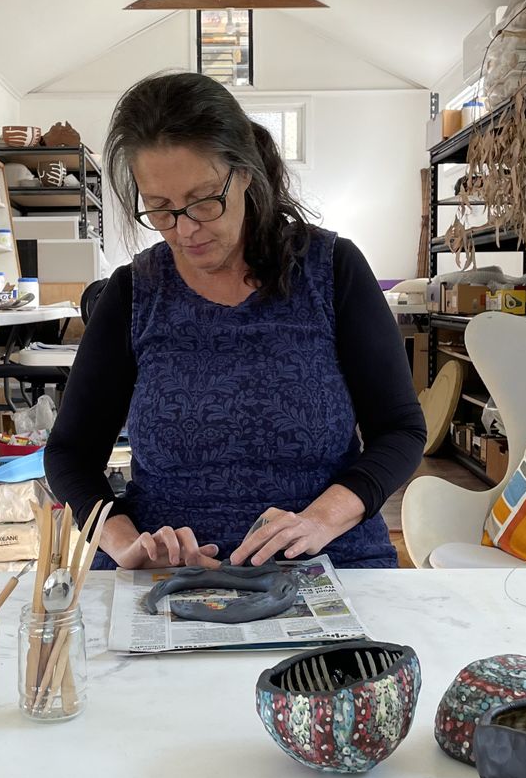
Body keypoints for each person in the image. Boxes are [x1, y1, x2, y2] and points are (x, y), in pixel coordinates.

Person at [44, 72, 425, 570]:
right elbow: (71, 453)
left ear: (245, 172)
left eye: (204, 201)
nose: (186, 229)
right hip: (168, 575)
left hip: (327, 560)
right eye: (160, 210)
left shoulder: (331, 271)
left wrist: (320, 520)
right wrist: (122, 544)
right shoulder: (135, 291)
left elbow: (400, 430)